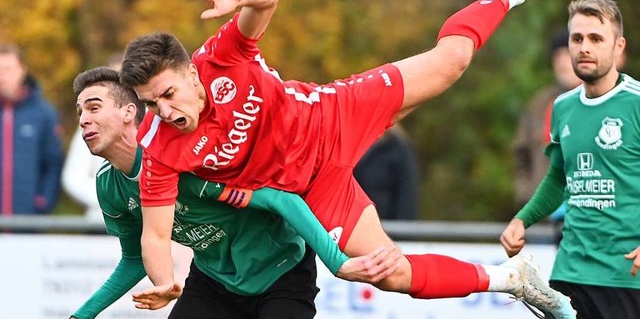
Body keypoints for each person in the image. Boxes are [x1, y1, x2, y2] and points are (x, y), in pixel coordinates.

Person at [121, 0, 580, 317]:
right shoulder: (162, 149)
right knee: (392, 273)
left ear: (189, 71)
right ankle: (513, 281)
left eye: (167, 95)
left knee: (452, 62)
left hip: (331, 117)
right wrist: (164, 283)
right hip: (314, 190)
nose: (163, 111)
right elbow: (156, 235)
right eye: (149, 104)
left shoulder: (221, 57)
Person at [71, 67, 399, 319]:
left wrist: (338, 263)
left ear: (129, 112)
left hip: (280, 271)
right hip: (214, 280)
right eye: (80, 112)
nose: (84, 120)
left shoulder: (181, 159)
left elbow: (281, 198)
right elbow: (133, 259)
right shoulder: (109, 186)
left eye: (94, 108)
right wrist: (82, 315)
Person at [501, 0, 640, 318]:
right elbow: (558, 177)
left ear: (618, 47)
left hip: (624, 274)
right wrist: (523, 219)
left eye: (595, 38)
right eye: (576, 39)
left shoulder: (635, 103)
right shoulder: (563, 107)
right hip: (570, 270)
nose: (583, 47)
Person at [512, 29, 582, 242]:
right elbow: (520, 155)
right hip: (543, 219)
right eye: (558, 56)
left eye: (568, 55)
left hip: (589, 218)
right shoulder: (539, 105)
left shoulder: (604, 101)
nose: (563, 63)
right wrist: (527, 194)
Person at [0, 43, 64, 215]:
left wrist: (43, 201)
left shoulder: (43, 113)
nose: (2, 76)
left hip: (29, 222)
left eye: (7, 69)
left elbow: (53, 162)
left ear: (22, 69)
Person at [62, 53, 124, 221]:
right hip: (100, 222)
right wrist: (113, 200)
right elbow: (73, 177)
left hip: (148, 219)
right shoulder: (88, 123)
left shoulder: (155, 119)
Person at [353, 124, 419, 220]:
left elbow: (406, 195)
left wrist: (402, 230)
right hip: (354, 225)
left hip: (386, 225)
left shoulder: (397, 149)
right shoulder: (352, 145)